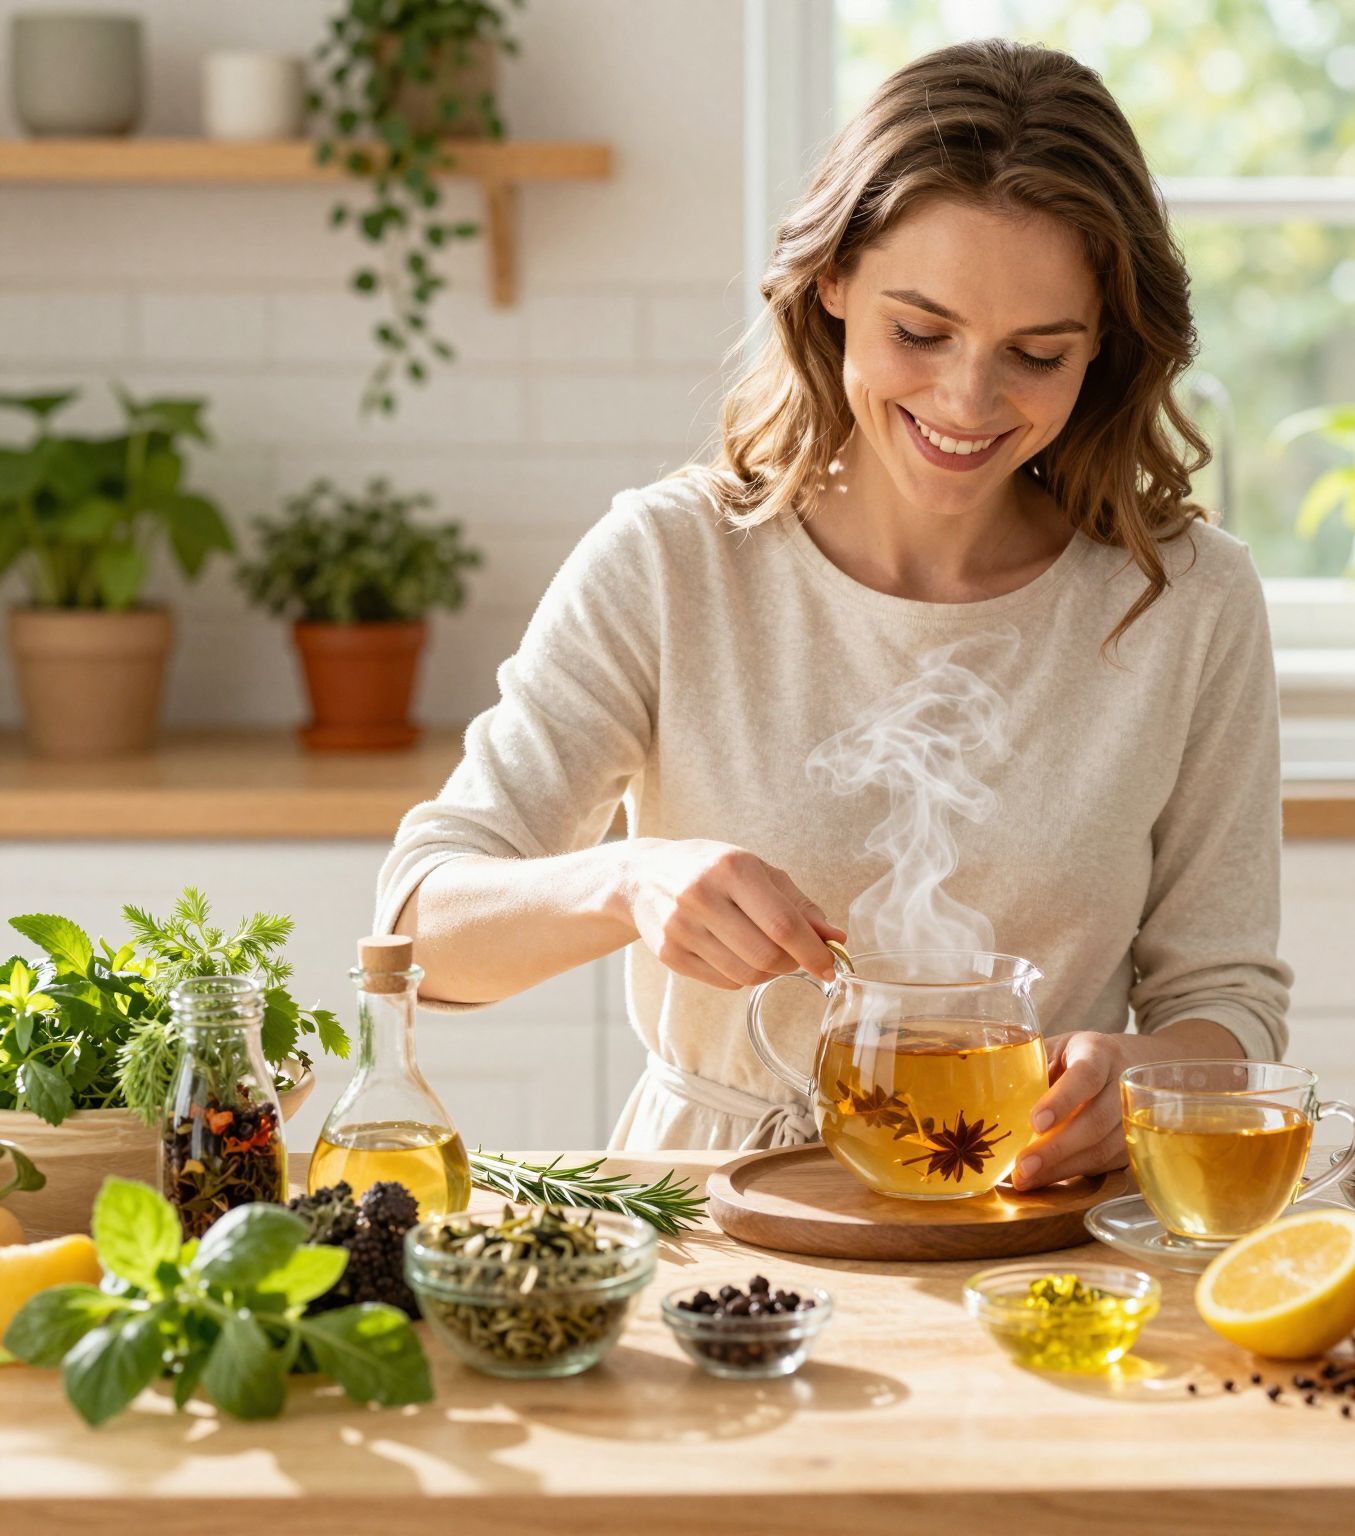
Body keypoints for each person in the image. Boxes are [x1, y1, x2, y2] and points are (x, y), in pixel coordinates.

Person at [377, 38, 1290, 1189]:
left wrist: (1149, 1082)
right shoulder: (672, 561)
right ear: (833, 284)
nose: (967, 400)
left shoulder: (1186, 603)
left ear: (1103, 346)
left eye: (1037, 354)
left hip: (1027, 1225)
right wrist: (626, 881)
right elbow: (416, 933)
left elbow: (1228, 1003)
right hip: (706, 1215)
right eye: (920, 332)